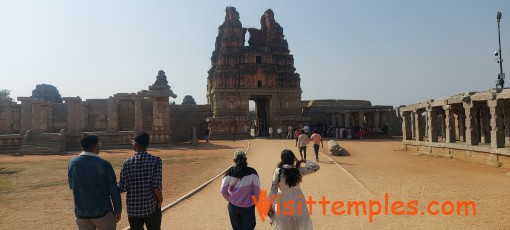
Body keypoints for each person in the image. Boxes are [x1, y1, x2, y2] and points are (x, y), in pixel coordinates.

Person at [68, 134, 122, 230]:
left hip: (81, 212)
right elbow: (113, 190)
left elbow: (72, 186)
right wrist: (118, 210)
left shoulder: (72, 163)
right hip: (102, 212)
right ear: (96, 146)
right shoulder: (103, 164)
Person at [119, 132, 163, 230]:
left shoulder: (126, 163)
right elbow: (156, 187)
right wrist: (160, 199)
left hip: (133, 209)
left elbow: (122, 187)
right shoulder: (156, 161)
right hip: (151, 206)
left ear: (135, 143)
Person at [268, 149, 320, 230]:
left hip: (283, 201)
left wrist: (269, 206)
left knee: (283, 226)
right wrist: (303, 160)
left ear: (282, 159)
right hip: (298, 201)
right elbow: (316, 167)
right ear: (293, 159)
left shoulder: (278, 171)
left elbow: (273, 190)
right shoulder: (298, 171)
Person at [220, 151, 260, 230]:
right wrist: (254, 202)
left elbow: (223, 190)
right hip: (248, 207)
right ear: (246, 159)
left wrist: (229, 199)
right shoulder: (253, 172)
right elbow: (257, 190)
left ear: (234, 161)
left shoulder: (229, 172)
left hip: (233, 207)